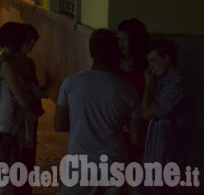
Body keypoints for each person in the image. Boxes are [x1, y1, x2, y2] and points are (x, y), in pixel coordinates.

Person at [55, 29, 143, 195]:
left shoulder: (71, 83)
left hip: (80, 167)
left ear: (91, 51)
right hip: (114, 166)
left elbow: (60, 125)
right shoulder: (129, 92)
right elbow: (136, 140)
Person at [0, 22, 36, 195]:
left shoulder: (5, 60)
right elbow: (24, 101)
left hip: (5, 124)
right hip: (4, 126)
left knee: (6, 180)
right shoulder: (6, 64)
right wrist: (28, 93)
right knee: (3, 182)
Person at [14, 24, 51, 195]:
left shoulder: (29, 63)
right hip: (15, 120)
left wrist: (46, 86)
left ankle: (25, 190)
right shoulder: (10, 64)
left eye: (33, 44)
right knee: (16, 159)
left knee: (28, 158)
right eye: (29, 43)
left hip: (30, 118)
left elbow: (35, 90)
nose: (31, 47)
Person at [142, 40, 187, 179]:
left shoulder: (174, 85)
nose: (152, 67)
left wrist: (147, 84)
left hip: (164, 157)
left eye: (154, 61)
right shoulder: (164, 82)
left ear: (167, 58)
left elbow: (146, 113)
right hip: (157, 154)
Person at [115, 18, 150, 98]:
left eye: (124, 39)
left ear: (134, 41)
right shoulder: (114, 63)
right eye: (118, 39)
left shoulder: (146, 65)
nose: (120, 44)